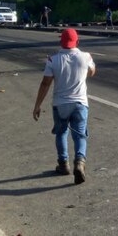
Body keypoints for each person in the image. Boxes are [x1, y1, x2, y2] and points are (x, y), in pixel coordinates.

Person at [32, 29, 97, 184]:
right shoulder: (86, 57)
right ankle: (79, 163)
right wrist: (81, 73)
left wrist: (37, 106)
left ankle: (63, 164)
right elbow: (92, 71)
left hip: (60, 104)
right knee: (80, 135)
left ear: (61, 42)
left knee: (61, 133)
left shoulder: (53, 60)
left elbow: (45, 83)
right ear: (77, 41)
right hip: (80, 103)